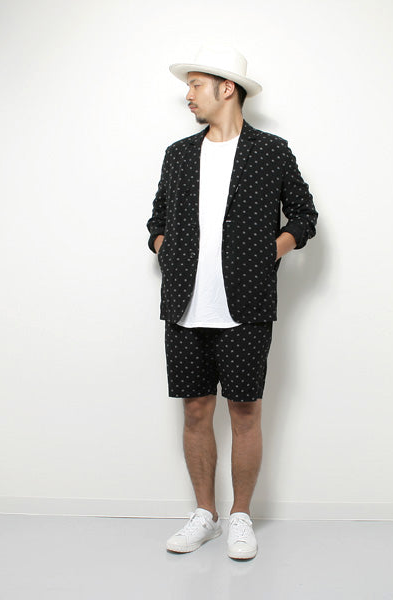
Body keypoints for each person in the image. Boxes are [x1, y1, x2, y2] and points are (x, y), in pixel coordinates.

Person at [146, 45, 318, 560]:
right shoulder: (179, 154)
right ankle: (205, 515)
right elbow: (156, 220)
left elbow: (304, 216)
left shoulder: (271, 151)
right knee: (196, 411)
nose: (188, 95)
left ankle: (241, 516)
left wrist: (270, 251)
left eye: (195, 85)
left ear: (227, 88)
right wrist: (164, 247)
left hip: (247, 304)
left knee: (245, 412)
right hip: (185, 305)